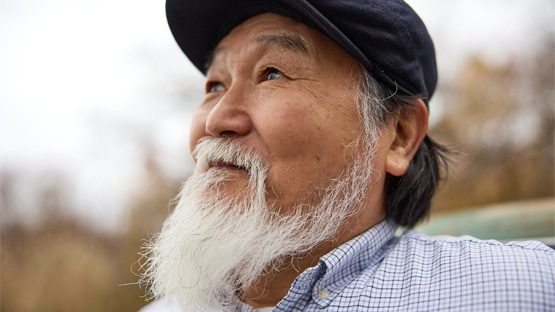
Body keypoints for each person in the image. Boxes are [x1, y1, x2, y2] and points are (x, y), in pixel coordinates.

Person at [139, 1, 555, 311]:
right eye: (214, 85)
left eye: (273, 73)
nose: (216, 120)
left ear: (399, 136)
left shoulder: (519, 290)